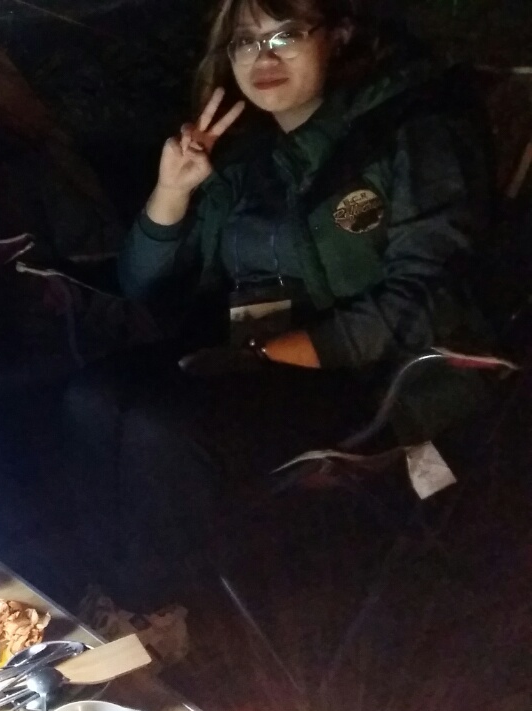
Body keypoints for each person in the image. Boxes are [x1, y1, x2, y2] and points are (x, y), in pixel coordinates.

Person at [58, 0, 494, 609]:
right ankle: (103, 599)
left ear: (338, 35)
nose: (262, 57)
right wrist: (171, 191)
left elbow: (427, 298)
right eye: (245, 41)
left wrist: (275, 355)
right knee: (93, 395)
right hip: (259, 359)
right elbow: (140, 283)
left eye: (286, 34)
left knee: (163, 429)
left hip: (379, 384)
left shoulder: (412, 128)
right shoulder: (247, 158)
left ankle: (164, 613)